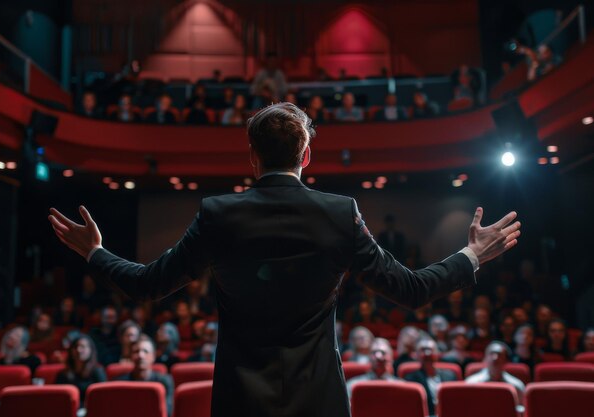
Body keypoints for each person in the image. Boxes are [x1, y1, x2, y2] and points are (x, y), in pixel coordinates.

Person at [49, 101, 521, 417]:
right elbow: (412, 290)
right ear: (307, 155)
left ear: (251, 158)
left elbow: (147, 284)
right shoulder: (340, 213)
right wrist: (472, 255)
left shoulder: (218, 214)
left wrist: (95, 252)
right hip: (319, 403)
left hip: (240, 404)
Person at [116, 335, 174, 416]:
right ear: (131, 356)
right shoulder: (120, 382)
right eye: (136, 351)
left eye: (145, 351)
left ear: (153, 356)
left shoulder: (165, 381)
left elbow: (167, 412)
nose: (140, 355)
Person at [404, 338, 458, 416]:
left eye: (430, 350)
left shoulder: (450, 376)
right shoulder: (410, 379)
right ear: (416, 355)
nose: (427, 353)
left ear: (437, 353)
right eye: (423, 350)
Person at [55, 334, 106, 404]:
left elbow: (103, 397)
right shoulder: (62, 374)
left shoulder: (97, 371)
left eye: (83, 346)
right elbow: (57, 397)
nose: (79, 350)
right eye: (75, 347)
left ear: (90, 350)